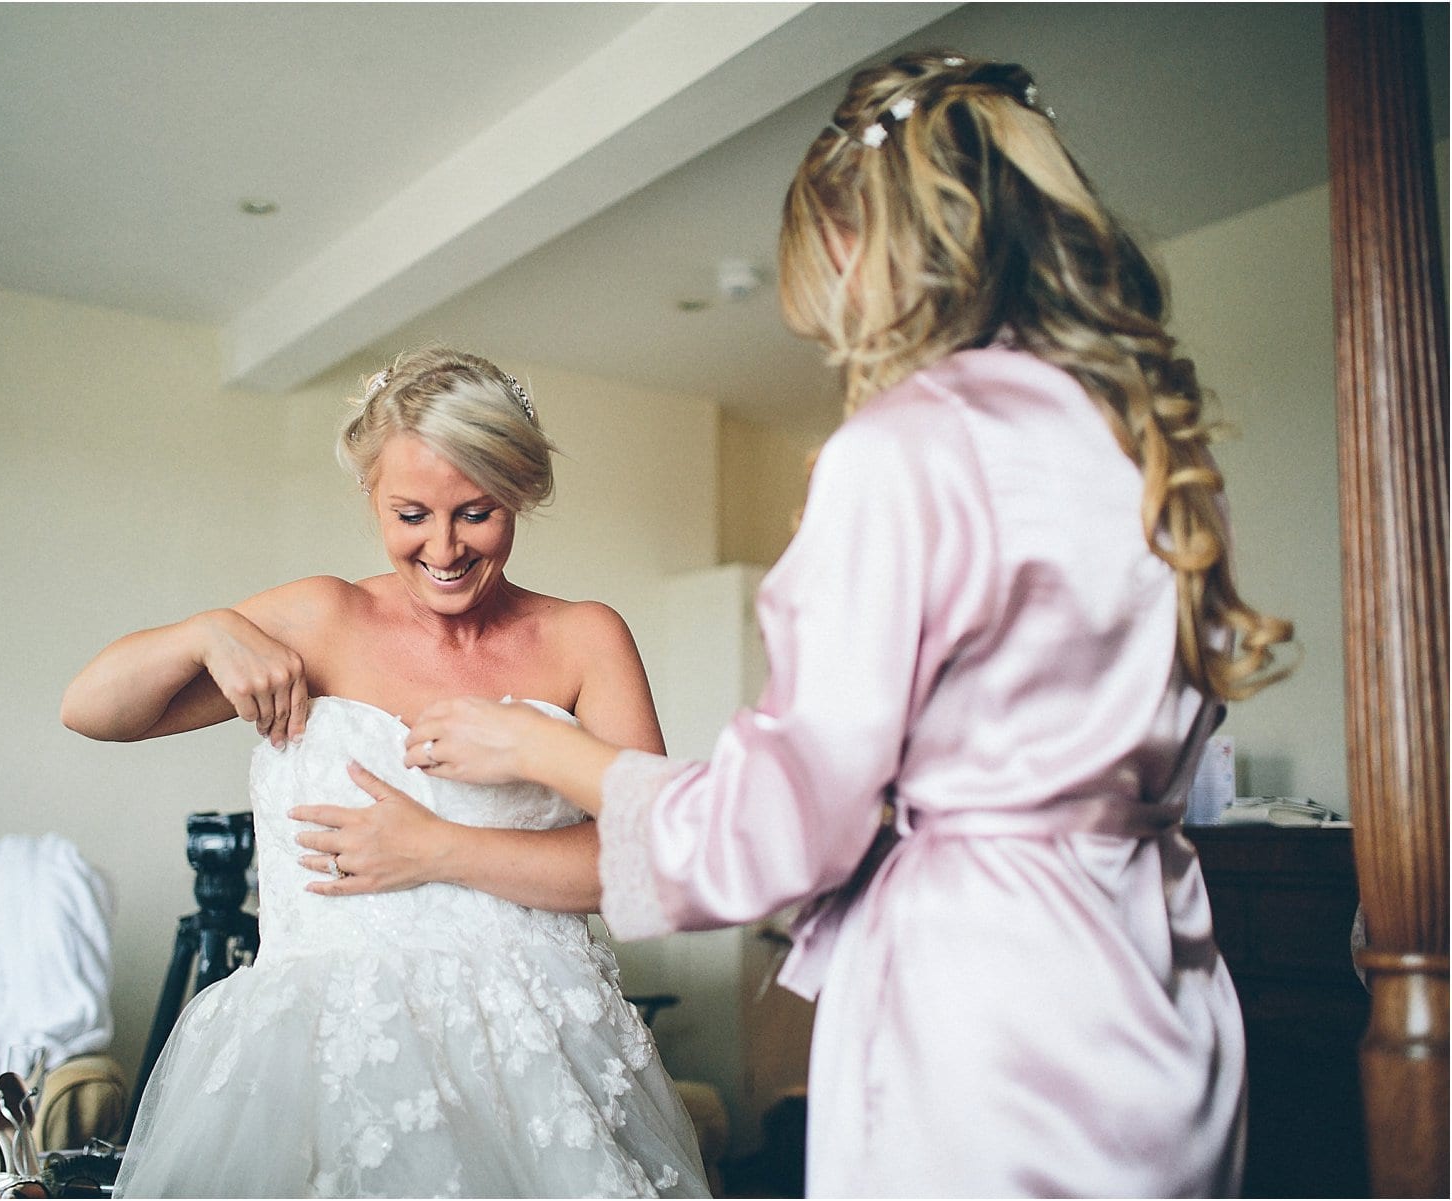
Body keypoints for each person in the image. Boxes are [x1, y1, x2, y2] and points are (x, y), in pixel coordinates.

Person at [394, 51, 1294, 1197]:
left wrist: (542, 749)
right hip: (1160, 977)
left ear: (860, 245)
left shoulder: (910, 449)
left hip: (989, 1006)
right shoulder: (1151, 450)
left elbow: (780, 826)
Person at [61, 346, 708, 1198]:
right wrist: (205, 632)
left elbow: (652, 861)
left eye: (476, 513)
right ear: (371, 492)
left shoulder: (585, 638)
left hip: (541, 1056)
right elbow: (93, 707)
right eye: (411, 514)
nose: (444, 548)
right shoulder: (320, 619)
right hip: (321, 1054)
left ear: (517, 491)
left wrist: (440, 848)